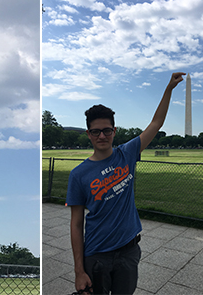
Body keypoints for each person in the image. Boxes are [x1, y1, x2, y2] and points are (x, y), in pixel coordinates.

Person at [67, 72, 186, 295]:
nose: (102, 136)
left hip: (129, 251)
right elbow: (75, 224)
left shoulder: (127, 154)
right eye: (96, 131)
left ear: (114, 131)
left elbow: (156, 123)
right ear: (88, 134)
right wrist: (78, 270)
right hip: (97, 254)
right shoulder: (78, 174)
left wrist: (168, 89)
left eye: (107, 130)